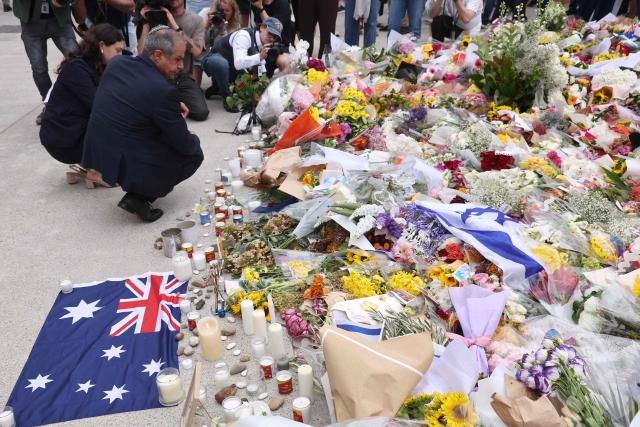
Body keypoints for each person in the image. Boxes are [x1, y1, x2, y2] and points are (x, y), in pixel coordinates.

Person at [82, 27, 204, 222]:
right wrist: (183, 126)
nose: (181, 66)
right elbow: (184, 144)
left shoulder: (117, 63)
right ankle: (139, 197)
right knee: (194, 153)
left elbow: (132, 101)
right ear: (157, 55)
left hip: (98, 154)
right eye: (177, 59)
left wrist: (168, 110)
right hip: (126, 161)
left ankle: (137, 190)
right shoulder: (162, 91)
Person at [40, 23, 124, 188]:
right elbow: (100, 107)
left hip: (70, 133)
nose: (120, 55)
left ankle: (91, 165)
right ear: (101, 46)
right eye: (117, 50)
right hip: (62, 140)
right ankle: (94, 170)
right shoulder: (77, 69)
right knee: (113, 118)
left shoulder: (97, 66)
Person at [138, 0, 209, 121]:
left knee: (201, 112)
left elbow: (197, 52)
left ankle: (172, 102)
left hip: (182, 77)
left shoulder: (195, 19)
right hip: (158, 77)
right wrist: (146, 22)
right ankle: (172, 103)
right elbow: (140, 53)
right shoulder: (155, 16)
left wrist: (174, 25)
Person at [201, 17, 288, 112]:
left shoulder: (263, 44)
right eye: (270, 33)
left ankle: (218, 86)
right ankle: (226, 97)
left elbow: (260, 69)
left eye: (275, 37)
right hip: (213, 60)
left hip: (231, 66)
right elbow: (239, 63)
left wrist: (264, 88)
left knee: (248, 84)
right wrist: (260, 57)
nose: (272, 38)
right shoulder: (244, 36)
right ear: (262, 27)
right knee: (221, 64)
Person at [13, 0, 78, 124]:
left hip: (60, 20)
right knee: (38, 67)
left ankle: (81, 102)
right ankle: (50, 104)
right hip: (31, 22)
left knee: (77, 61)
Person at [195, 0, 240, 87]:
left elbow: (228, 48)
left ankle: (222, 85)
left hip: (221, 57)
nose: (223, 14)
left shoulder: (235, 24)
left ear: (233, 12)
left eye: (227, 11)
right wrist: (207, 25)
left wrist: (222, 30)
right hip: (202, 54)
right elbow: (197, 42)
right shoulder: (205, 13)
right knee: (195, 87)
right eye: (221, 11)